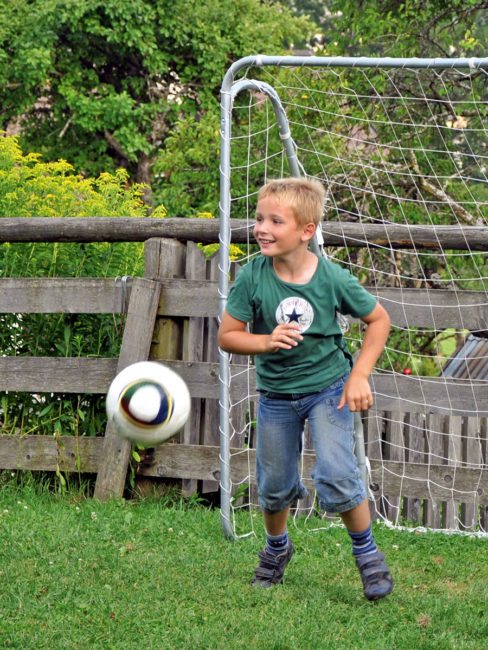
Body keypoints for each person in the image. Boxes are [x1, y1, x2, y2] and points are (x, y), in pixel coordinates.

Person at [217, 177, 393, 600]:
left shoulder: (332, 278)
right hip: (276, 395)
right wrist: (264, 341)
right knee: (274, 484)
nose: (262, 228)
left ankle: (367, 556)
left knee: (335, 472)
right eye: (260, 218)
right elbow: (227, 335)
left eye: (276, 221)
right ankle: (277, 548)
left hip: (328, 390)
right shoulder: (252, 277)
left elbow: (379, 320)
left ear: (306, 231)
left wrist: (359, 376)